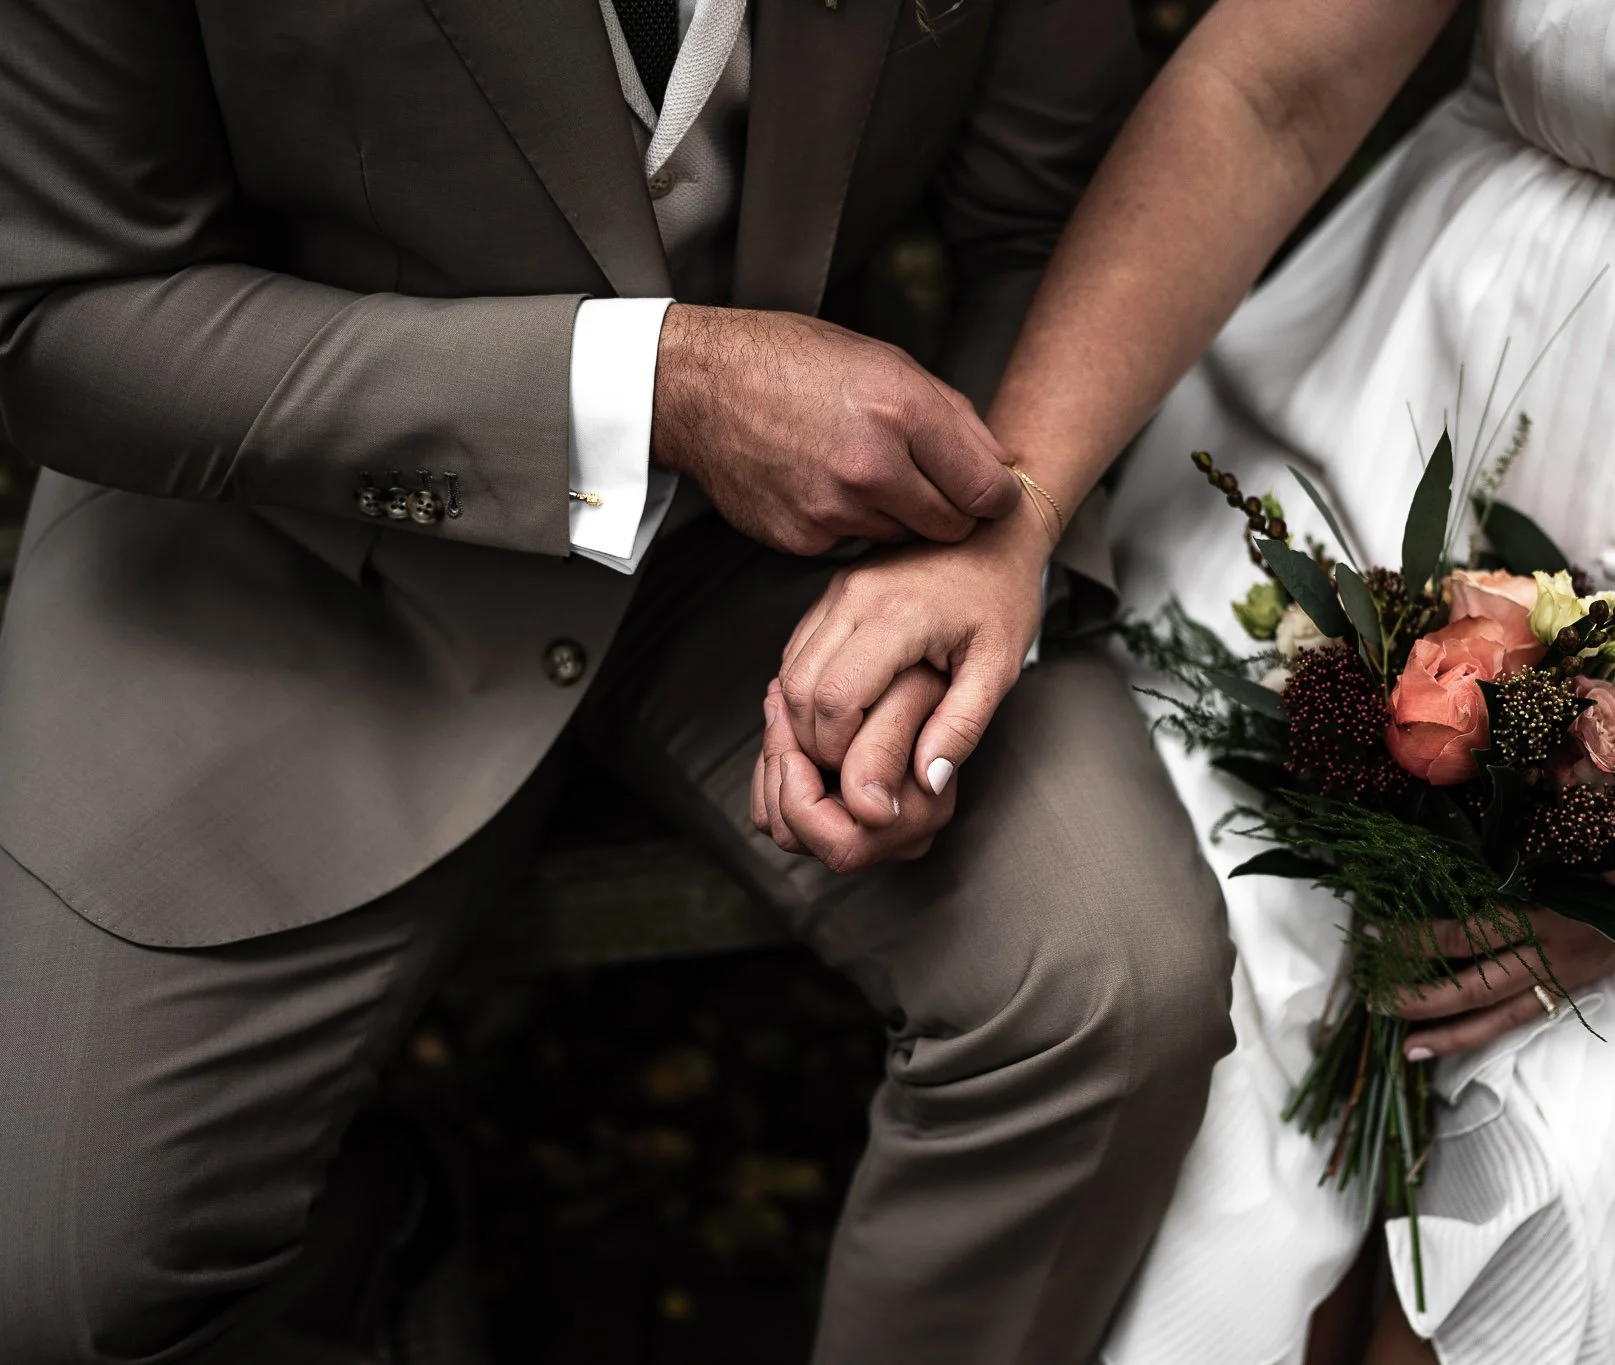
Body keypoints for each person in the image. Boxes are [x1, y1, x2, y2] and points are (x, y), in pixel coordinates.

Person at [755, 0, 1615, 1360]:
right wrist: (1012, 516)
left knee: (1539, 1234)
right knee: (1210, 1186)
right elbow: (1271, 92)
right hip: (1339, 534)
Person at [0, 2, 1239, 1362]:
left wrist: (988, 539)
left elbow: (1051, 216)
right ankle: (382, 1263)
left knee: (1108, 988)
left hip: (808, 542)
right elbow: (65, 313)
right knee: (61, 1279)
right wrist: (660, 387)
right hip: (289, 541)